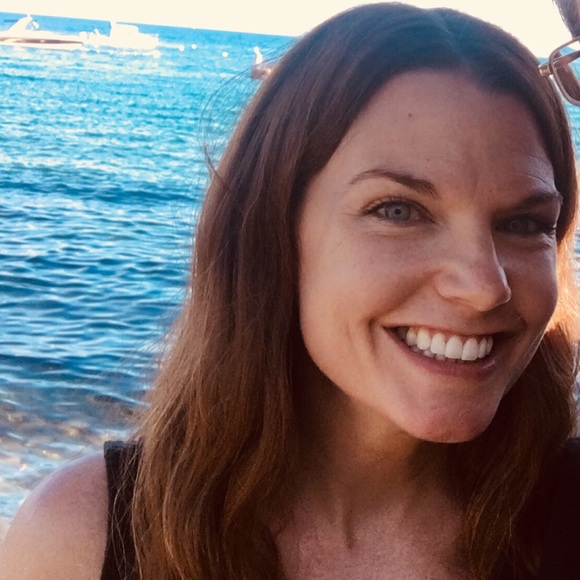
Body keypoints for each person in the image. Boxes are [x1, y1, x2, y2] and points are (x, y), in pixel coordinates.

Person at [0, 3, 579, 579]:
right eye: (398, 211)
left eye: (524, 223)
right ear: (271, 233)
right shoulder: (82, 539)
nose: (483, 287)